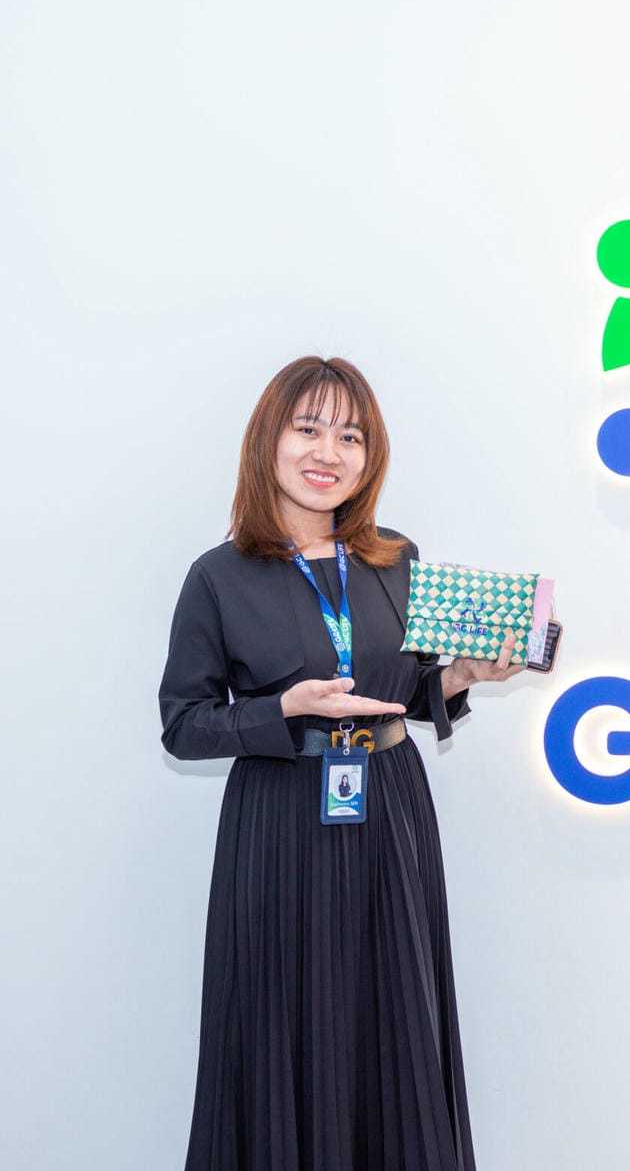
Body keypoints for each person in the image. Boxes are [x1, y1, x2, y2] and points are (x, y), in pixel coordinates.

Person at [159, 354, 525, 1170]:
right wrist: (282, 710)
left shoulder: (397, 558)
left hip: (390, 809)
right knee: (282, 1021)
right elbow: (183, 724)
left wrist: (461, 676)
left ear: (370, 455)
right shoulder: (218, 576)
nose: (329, 451)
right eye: (309, 428)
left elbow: (409, 689)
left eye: (351, 436)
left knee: (393, 1020)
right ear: (269, 439)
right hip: (280, 821)